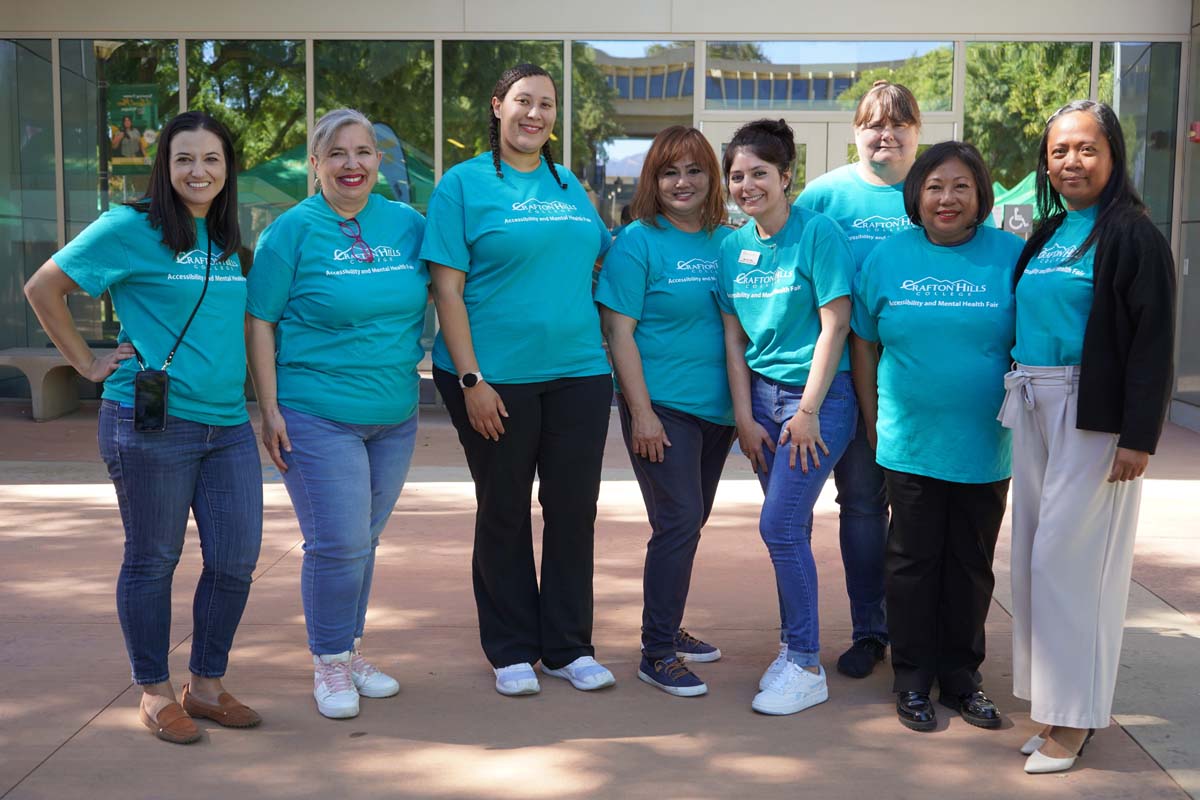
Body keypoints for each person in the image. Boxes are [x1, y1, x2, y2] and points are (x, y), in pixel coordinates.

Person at [24, 111, 262, 744]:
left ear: (227, 167)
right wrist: (86, 362)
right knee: (154, 559)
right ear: (165, 165)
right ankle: (155, 692)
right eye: (184, 158)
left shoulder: (225, 236)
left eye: (211, 158)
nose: (198, 171)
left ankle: (206, 685)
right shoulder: (129, 227)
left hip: (229, 427)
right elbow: (43, 288)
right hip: (152, 421)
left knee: (236, 560)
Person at [422, 63, 616, 697]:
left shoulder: (571, 186)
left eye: (547, 105)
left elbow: (597, 261)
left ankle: (567, 646)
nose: (535, 114)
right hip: (493, 380)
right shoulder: (463, 185)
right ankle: (509, 647)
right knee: (503, 508)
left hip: (580, 374)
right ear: (497, 106)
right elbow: (446, 291)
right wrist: (473, 379)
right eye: (523, 102)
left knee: (571, 512)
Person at [1001, 100, 1176, 774]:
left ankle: (1074, 723)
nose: (1071, 161)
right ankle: (1052, 707)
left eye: (1086, 149)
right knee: (1032, 563)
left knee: (1069, 568)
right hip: (1033, 402)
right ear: (1045, 163)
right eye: (1059, 151)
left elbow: (1154, 343)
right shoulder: (1046, 234)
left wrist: (1139, 436)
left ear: (1112, 155)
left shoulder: (1132, 234)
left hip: (1092, 416)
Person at [245, 108, 428, 720]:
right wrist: (268, 408)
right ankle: (327, 661)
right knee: (339, 542)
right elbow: (261, 320)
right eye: (338, 154)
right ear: (316, 164)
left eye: (365, 153)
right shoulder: (291, 231)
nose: (353, 165)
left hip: (396, 413)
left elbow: (456, 285)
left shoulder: (407, 224)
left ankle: (348, 652)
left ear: (379, 162)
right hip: (316, 412)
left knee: (364, 541)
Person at [851, 141, 1023, 732]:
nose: (946, 199)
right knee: (911, 563)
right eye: (934, 187)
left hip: (984, 443)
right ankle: (912, 678)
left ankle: (961, 678)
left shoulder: (1011, 255)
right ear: (915, 197)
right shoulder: (886, 256)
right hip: (910, 441)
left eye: (960, 187)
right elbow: (864, 341)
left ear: (980, 196)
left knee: (971, 566)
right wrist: (874, 423)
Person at [716, 119, 858, 715]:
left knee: (779, 527)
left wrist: (806, 411)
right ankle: (790, 647)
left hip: (818, 402)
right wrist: (744, 417)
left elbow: (837, 324)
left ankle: (805, 663)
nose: (747, 185)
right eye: (737, 176)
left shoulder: (817, 233)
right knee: (788, 532)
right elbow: (732, 339)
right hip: (763, 403)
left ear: (786, 177)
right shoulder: (732, 246)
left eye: (759, 174)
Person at [595, 126, 734, 697]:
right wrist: (641, 412)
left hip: (719, 412)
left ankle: (669, 626)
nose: (683, 182)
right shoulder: (637, 242)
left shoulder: (732, 241)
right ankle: (656, 652)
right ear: (653, 179)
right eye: (670, 171)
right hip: (662, 409)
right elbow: (618, 332)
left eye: (694, 170)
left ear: (711, 179)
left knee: (689, 522)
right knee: (677, 522)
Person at [795, 80, 921, 678]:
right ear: (855, 132)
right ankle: (871, 631)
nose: (885, 135)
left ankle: (924, 629)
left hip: (915, 384)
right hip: (838, 381)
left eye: (897, 125)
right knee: (864, 507)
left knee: (923, 514)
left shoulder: (933, 193)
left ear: (917, 133)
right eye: (873, 124)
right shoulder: (823, 197)